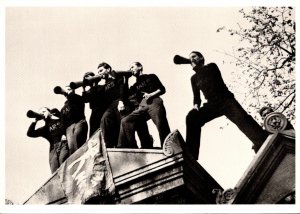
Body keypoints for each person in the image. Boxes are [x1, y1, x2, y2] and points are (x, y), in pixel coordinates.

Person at [181, 51, 268, 160]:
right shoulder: (193, 78)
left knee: (242, 120)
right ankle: (191, 155)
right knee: (191, 118)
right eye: (190, 58)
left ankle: (262, 141)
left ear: (201, 58)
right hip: (212, 105)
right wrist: (196, 106)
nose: (192, 59)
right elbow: (196, 96)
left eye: (194, 56)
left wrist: (195, 67)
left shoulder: (211, 67)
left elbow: (213, 80)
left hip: (226, 100)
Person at [118, 62, 171, 148]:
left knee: (161, 124)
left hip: (154, 101)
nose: (130, 69)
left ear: (140, 67)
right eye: (130, 68)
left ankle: (168, 146)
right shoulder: (134, 86)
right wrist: (126, 79)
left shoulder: (150, 76)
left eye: (132, 67)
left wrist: (151, 95)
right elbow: (125, 96)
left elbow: (162, 89)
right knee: (126, 121)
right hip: (142, 105)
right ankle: (132, 148)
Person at [27, 107, 69, 173]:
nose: (42, 114)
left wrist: (52, 116)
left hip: (64, 144)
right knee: (54, 169)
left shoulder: (60, 119)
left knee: (63, 161)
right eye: (40, 113)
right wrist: (35, 121)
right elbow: (30, 133)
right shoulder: (45, 129)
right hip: (53, 149)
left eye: (44, 112)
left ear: (49, 111)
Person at [98, 62, 128, 148]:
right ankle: (108, 146)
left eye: (101, 70)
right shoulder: (105, 84)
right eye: (98, 72)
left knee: (122, 124)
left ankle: (124, 146)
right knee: (105, 119)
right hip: (111, 106)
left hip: (119, 102)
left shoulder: (117, 76)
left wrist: (121, 101)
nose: (99, 73)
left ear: (108, 69)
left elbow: (122, 88)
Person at [57, 86, 88, 155]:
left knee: (78, 139)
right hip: (68, 128)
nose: (67, 90)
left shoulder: (77, 98)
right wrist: (63, 134)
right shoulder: (63, 108)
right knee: (71, 147)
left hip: (79, 122)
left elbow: (78, 102)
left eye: (69, 89)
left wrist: (69, 93)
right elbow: (62, 121)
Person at [81, 71, 106, 137]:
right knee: (93, 131)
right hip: (94, 112)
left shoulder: (102, 87)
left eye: (88, 77)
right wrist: (83, 89)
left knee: (104, 129)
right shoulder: (89, 91)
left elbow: (97, 97)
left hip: (102, 110)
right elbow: (84, 100)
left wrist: (94, 85)